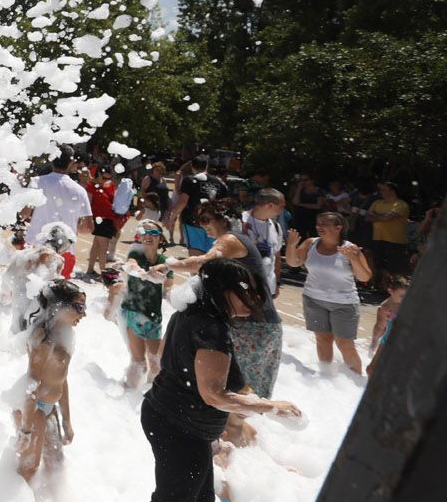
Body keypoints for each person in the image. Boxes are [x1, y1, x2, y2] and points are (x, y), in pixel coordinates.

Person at [139, 260, 301, 502]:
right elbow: (213, 394)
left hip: (178, 421)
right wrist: (271, 407)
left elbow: (162, 361)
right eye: (244, 291)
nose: (252, 300)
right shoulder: (210, 328)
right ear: (221, 291)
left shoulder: (188, 313)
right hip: (178, 425)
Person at [167, 206, 284, 440]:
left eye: (206, 218)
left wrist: (167, 265)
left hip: (254, 327)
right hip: (253, 324)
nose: (203, 225)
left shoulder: (231, 239)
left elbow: (205, 263)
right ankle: (254, 455)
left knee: (234, 400)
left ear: (225, 219)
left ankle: (234, 466)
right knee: (235, 401)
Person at [14, 279, 85, 481]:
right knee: (29, 467)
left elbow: (62, 380)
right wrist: (25, 430)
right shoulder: (43, 340)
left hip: (49, 406)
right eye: (79, 307)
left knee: (55, 465)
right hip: (33, 408)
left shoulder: (65, 336)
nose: (84, 313)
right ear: (58, 307)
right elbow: (31, 384)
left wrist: (67, 419)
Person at [284, 212, 371, 375]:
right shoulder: (311, 243)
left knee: (345, 344)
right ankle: (327, 378)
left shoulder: (350, 248)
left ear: (338, 228)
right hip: (313, 299)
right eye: (318, 224)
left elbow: (365, 276)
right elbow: (293, 262)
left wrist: (353, 258)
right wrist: (291, 245)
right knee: (322, 340)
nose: (319, 227)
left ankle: (356, 383)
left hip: (344, 303)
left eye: (324, 224)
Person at [119, 224, 173, 388]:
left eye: (153, 232)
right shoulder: (136, 253)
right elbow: (130, 265)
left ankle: (149, 397)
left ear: (160, 237)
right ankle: (128, 396)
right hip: (133, 313)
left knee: (156, 363)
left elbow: (169, 288)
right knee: (139, 362)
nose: (148, 235)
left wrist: (179, 299)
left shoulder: (164, 261)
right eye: (143, 232)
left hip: (153, 317)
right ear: (139, 237)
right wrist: (144, 275)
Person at [24, 150, 93, 247]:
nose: (79, 169)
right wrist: (70, 227)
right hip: (63, 248)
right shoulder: (80, 190)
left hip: (36, 244)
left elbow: (25, 213)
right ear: (71, 163)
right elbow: (87, 228)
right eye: (79, 166)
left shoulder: (37, 181)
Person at [168, 156, 225, 254]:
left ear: (192, 167)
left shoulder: (189, 180)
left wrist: (172, 217)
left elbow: (183, 202)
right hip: (213, 223)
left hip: (193, 221)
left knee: (196, 254)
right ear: (206, 166)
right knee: (211, 254)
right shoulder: (219, 182)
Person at [365, 180, 411, 291]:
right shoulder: (377, 203)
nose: (380, 192)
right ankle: (382, 286)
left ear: (392, 191)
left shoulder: (400, 204)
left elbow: (387, 218)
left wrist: (375, 216)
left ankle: (397, 289)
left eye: (383, 189)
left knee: (395, 267)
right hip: (378, 238)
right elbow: (367, 218)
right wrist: (382, 217)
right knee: (380, 264)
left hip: (395, 240)